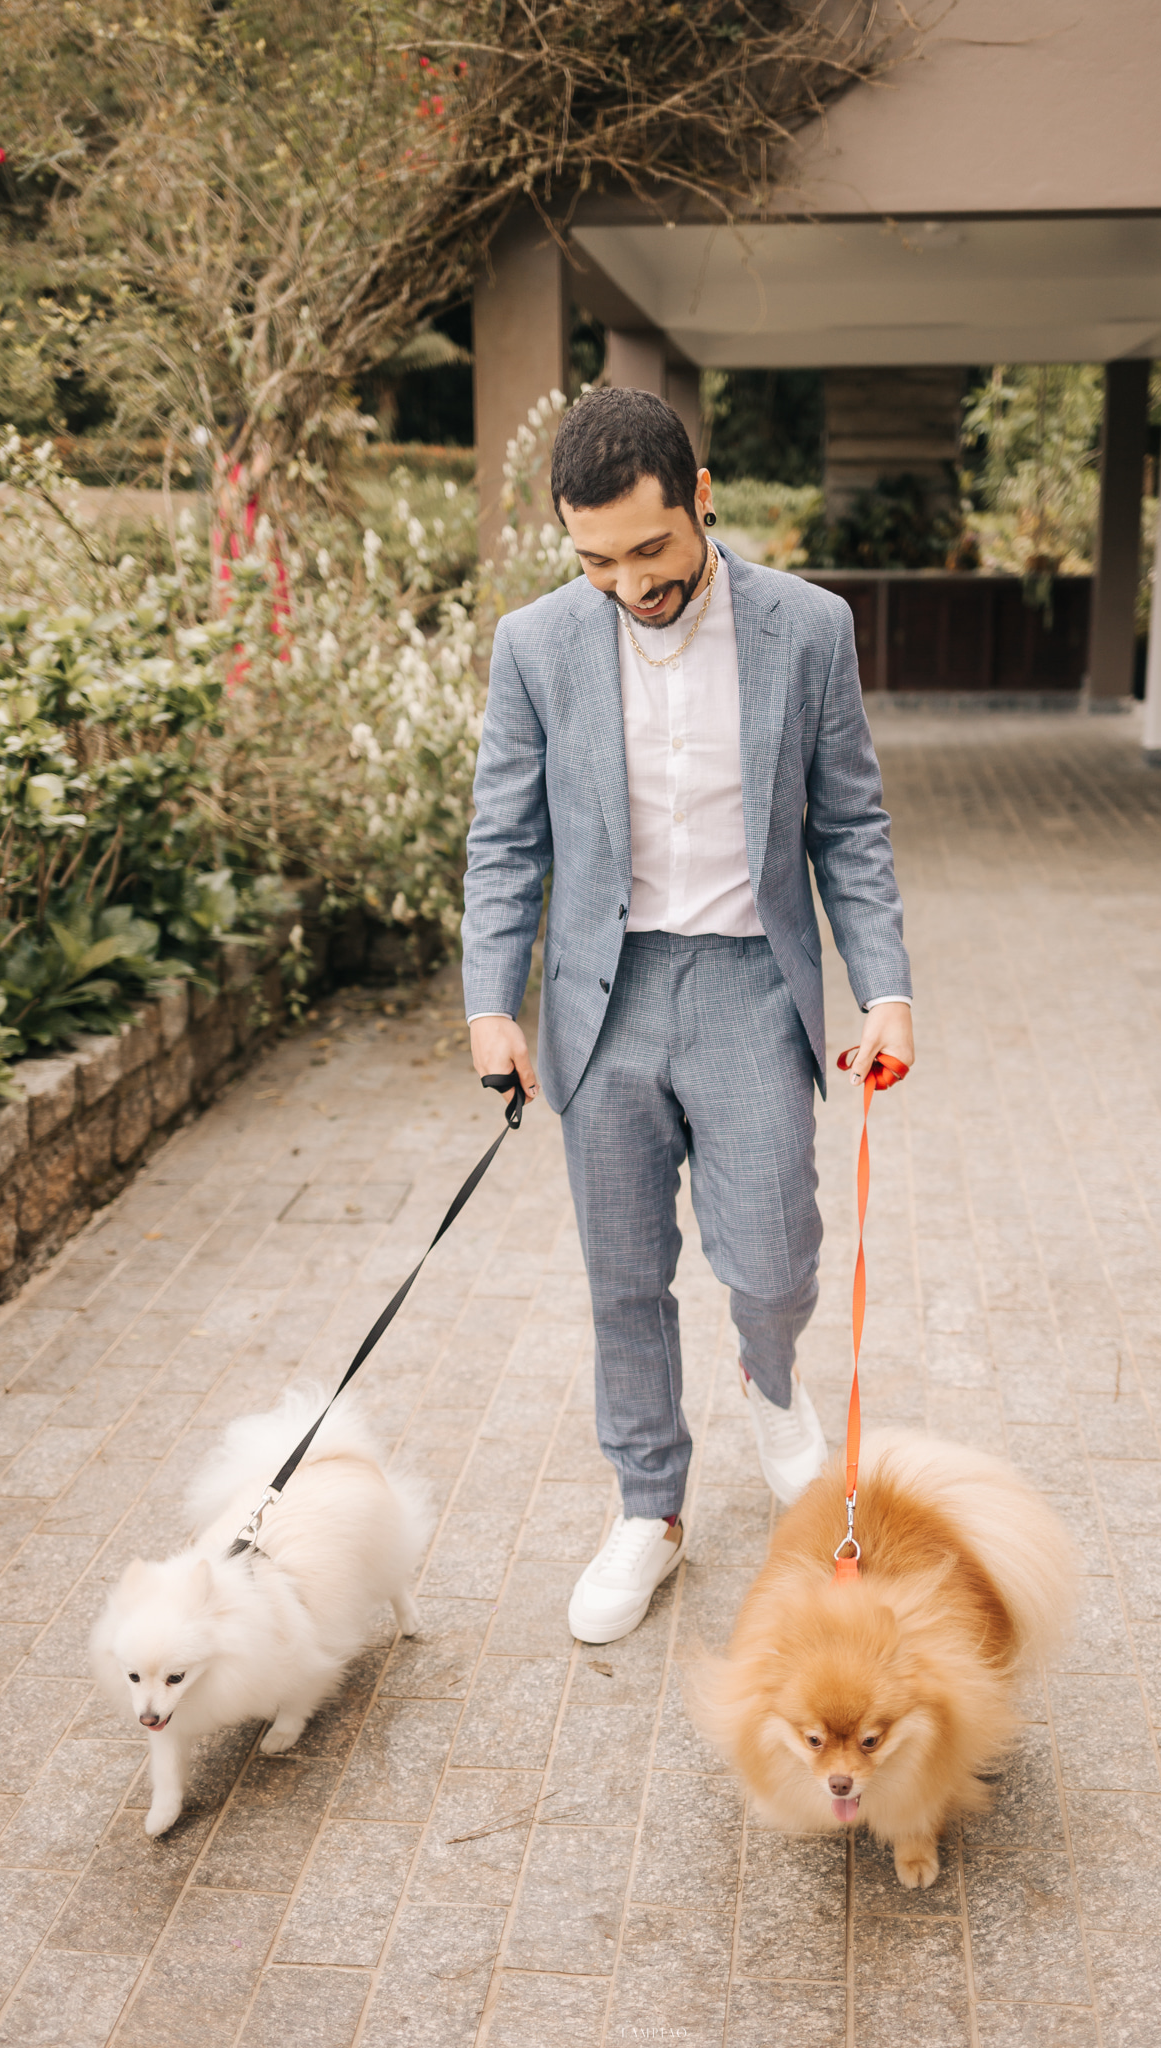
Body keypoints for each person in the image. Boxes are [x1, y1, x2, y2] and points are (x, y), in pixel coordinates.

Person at [462, 388, 913, 1644]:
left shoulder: (807, 628)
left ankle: (773, 1378)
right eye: (595, 558)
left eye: (649, 550)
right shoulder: (538, 643)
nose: (626, 582)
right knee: (624, 1277)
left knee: (772, 1259)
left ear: (700, 496)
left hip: (747, 987)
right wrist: (491, 1003)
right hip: (600, 1006)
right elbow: (505, 838)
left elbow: (850, 825)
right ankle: (650, 1508)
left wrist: (886, 988)